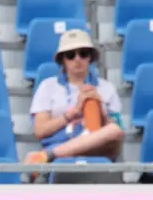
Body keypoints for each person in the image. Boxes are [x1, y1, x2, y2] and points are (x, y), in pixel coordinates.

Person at [24, 29, 125, 168]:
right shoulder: (48, 86)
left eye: (83, 53)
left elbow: (118, 131)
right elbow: (40, 130)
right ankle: (55, 153)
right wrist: (72, 114)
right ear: (63, 60)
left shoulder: (106, 87)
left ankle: (49, 155)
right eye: (71, 55)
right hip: (61, 143)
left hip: (97, 149)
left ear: (90, 57)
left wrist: (102, 112)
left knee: (114, 130)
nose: (77, 59)